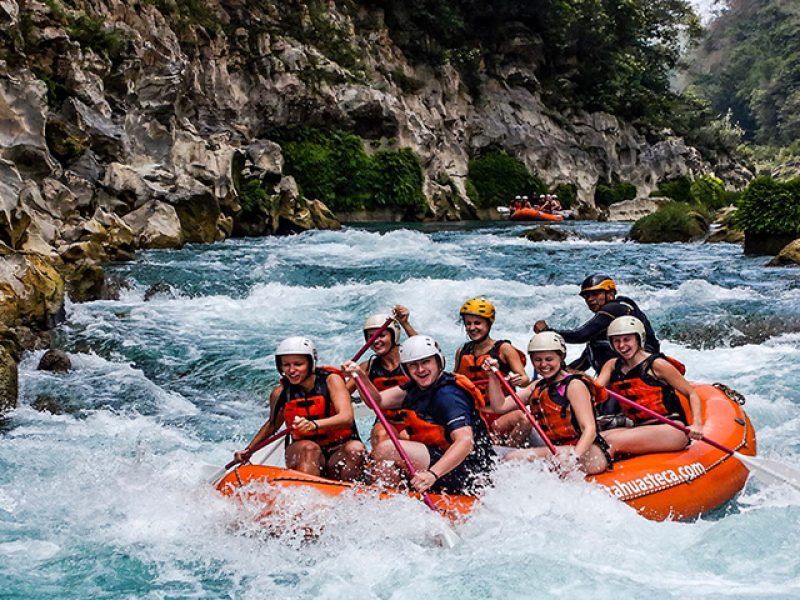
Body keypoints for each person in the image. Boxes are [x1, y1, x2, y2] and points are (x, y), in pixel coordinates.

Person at [343, 335, 495, 495]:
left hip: (472, 471)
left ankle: (395, 498)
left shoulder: (448, 396)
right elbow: (378, 401)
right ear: (406, 369)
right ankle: (392, 501)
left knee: (387, 449)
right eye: (413, 365)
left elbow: (465, 441)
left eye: (425, 362)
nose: (420, 370)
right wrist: (360, 376)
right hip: (444, 459)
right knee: (384, 464)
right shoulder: (415, 388)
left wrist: (432, 474)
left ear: (438, 361)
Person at [235, 336, 366, 481]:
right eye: (286, 365)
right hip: (303, 452)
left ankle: (351, 493)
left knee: (356, 449)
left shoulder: (331, 380)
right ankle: (307, 495)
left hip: (338, 450)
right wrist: (249, 450)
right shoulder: (280, 393)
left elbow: (346, 418)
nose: (291, 370)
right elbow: (272, 426)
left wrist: (314, 425)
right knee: (309, 448)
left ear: (310, 363)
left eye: (298, 364)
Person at [483, 332, 610, 474]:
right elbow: (499, 406)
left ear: (561, 358)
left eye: (549, 359)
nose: (543, 365)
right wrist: (492, 376)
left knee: (512, 457)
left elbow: (589, 430)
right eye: (537, 360)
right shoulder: (537, 386)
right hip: (558, 448)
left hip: (588, 454)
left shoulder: (574, 385)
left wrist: (573, 460)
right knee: (493, 453)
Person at [595, 316, 703, 457]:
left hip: (671, 429)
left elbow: (691, 393)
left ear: (639, 339)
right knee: (595, 440)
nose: (622, 345)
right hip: (639, 428)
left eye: (627, 339)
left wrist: (697, 424)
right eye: (616, 341)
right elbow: (594, 392)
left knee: (607, 441)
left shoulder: (657, 365)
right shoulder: (611, 366)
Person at [534, 274, 660, 375]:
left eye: (595, 294)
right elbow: (586, 358)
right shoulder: (608, 323)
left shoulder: (614, 309)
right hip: (627, 370)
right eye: (586, 296)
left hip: (641, 371)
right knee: (594, 344)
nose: (590, 299)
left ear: (610, 294)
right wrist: (560, 373)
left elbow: (580, 335)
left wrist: (547, 331)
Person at [454, 298, 531, 444]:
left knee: (525, 419)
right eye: (468, 323)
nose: (472, 328)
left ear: (489, 323)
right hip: (475, 416)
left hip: (500, 415)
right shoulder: (462, 351)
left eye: (477, 323)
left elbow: (525, 380)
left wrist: (517, 379)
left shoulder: (504, 349)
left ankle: (509, 451)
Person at [347, 306, 417, 446]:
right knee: (380, 435)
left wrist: (405, 323)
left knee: (407, 436)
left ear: (394, 335)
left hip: (415, 421)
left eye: (381, 335)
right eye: (371, 337)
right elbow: (340, 393)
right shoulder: (366, 368)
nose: (376, 341)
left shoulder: (412, 361)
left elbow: (425, 349)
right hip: (386, 423)